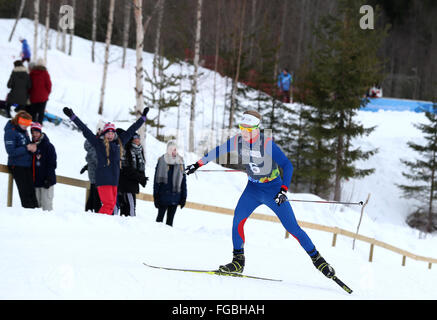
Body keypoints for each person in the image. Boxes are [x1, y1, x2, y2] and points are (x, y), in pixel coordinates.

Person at [184, 110, 336, 279]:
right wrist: (197, 165)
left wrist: (284, 189)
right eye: (242, 128)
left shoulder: (266, 144)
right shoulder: (238, 141)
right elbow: (216, 151)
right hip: (253, 189)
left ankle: (318, 260)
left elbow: (288, 165)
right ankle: (237, 262)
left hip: (273, 189)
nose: (244, 133)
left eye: (249, 130)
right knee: (237, 220)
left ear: (257, 129)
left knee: (292, 227)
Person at [63, 106, 149, 215]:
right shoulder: (99, 143)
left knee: (112, 205)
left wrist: (143, 118)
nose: (110, 135)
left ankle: (102, 225)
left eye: (112, 133)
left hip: (114, 180)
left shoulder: (119, 142)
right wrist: (72, 116)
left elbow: (131, 130)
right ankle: (97, 224)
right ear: (104, 133)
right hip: (103, 180)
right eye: (108, 132)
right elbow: (85, 130)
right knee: (109, 205)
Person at [3, 111, 39, 208]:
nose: (26, 126)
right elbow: (11, 151)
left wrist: (33, 147)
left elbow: (27, 145)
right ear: (18, 120)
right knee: (25, 192)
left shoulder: (24, 131)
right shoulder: (10, 132)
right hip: (17, 165)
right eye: (24, 123)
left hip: (27, 165)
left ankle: (37, 214)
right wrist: (27, 148)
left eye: (28, 124)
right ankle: (28, 213)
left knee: (32, 190)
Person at [154, 140, 187, 226]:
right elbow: (156, 181)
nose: (173, 151)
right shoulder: (162, 160)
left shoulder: (180, 162)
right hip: (163, 197)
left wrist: (184, 197)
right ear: (168, 150)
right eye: (171, 149)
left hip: (175, 198)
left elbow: (183, 181)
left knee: (169, 223)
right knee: (159, 222)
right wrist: (156, 196)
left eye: (175, 149)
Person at [117, 131, 148, 217]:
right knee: (130, 208)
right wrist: (140, 177)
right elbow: (127, 169)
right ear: (131, 140)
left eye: (138, 138)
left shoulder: (140, 150)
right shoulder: (127, 151)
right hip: (126, 184)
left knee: (129, 207)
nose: (137, 140)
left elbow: (140, 167)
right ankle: (130, 225)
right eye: (135, 138)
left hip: (133, 184)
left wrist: (143, 178)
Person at [30, 122, 57, 211]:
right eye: (33, 133)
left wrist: (48, 179)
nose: (34, 135)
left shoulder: (48, 146)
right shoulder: (31, 146)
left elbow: (52, 164)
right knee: (37, 208)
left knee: (46, 207)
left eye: (36, 132)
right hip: (36, 183)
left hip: (47, 183)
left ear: (40, 132)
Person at [81, 126, 102, 213]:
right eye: (99, 130)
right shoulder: (94, 141)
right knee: (94, 195)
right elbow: (91, 153)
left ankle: (90, 212)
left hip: (100, 175)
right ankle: (90, 212)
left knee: (95, 196)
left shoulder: (105, 142)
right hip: (94, 174)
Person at [29, 58, 52, 125]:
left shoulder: (32, 73)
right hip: (43, 97)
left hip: (33, 96)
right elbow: (49, 85)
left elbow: (29, 84)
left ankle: (32, 123)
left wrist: (30, 92)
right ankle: (39, 124)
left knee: (33, 111)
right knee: (41, 112)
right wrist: (47, 93)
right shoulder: (45, 73)